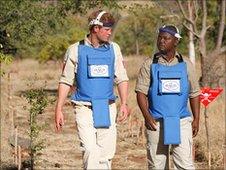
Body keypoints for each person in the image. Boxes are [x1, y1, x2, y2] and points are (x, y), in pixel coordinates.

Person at [55, 10, 129, 169]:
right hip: (83, 108)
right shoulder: (75, 49)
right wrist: (59, 109)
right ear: (96, 28)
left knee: (105, 155)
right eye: (107, 29)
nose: (110, 33)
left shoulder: (114, 49)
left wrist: (124, 103)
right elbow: (65, 81)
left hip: (107, 107)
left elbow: (121, 77)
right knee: (90, 150)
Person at [135, 25, 200, 169]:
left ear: (176, 41)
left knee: (185, 165)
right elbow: (140, 93)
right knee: (157, 165)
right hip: (156, 123)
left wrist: (197, 119)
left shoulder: (186, 64)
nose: (161, 41)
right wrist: (147, 116)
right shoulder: (149, 64)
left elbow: (194, 93)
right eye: (160, 37)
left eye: (166, 38)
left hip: (182, 121)